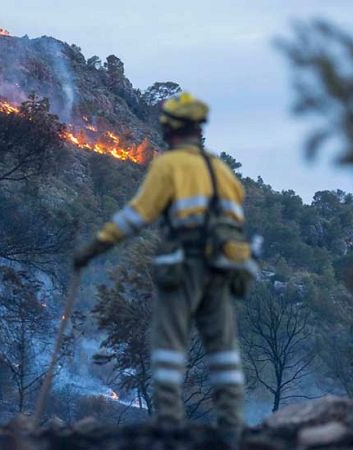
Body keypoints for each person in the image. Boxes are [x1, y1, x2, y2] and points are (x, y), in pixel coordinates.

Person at [73, 92, 256, 444]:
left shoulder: (169, 165)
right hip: (222, 269)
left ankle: (171, 430)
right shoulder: (223, 171)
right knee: (224, 354)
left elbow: (136, 216)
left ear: (171, 129)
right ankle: (231, 431)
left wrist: (94, 247)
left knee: (169, 348)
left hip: (184, 267)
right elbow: (236, 223)